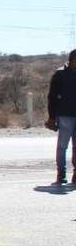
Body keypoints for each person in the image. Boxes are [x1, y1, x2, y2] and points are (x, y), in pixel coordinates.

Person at [46, 49, 76, 185]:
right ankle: (61, 173)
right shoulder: (60, 75)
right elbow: (52, 97)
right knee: (63, 146)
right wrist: (52, 117)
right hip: (64, 115)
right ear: (71, 61)